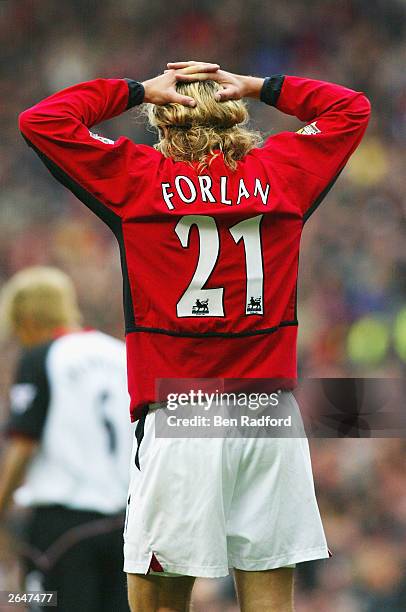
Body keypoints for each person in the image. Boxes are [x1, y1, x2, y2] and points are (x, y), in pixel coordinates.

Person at [18, 62, 370, 611]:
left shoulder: (138, 179)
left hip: (183, 410)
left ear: (162, 121)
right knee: (270, 599)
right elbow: (351, 107)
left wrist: (135, 89)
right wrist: (261, 86)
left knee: (158, 603)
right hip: (269, 412)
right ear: (236, 114)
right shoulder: (282, 172)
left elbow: (44, 120)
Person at [0, 267, 132, 611]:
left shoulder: (41, 356)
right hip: (125, 528)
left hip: (61, 531)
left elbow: (23, 444)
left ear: (25, 317)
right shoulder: (121, 355)